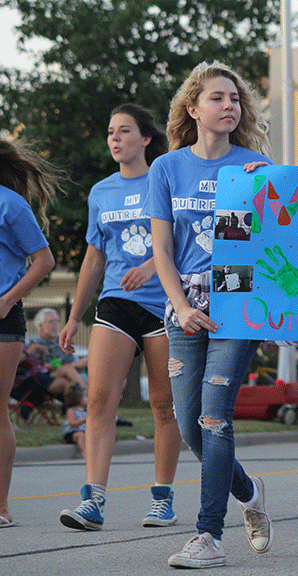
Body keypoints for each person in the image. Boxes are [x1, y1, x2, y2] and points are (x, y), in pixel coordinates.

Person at [147, 61, 273, 568]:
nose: (229, 106)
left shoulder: (255, 167)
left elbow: (279, 241)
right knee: (190, 424)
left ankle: (208, 537)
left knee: (215, 417)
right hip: (183, 308)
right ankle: (249, 490)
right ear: (192, 109)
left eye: (235, 99)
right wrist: (179, 307)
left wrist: (266, 193)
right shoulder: (167, 169)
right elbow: (161, 250)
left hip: (238, 302)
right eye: (218, 98)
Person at [57, 103, 183, 532]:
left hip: (164, 302)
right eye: (110, 131)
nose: (114, 138)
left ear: (146, 138)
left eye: (124, 131)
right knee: (98, 400)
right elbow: (94, 258)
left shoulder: (165, 176)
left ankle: (163, 498)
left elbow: (181, 238)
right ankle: (93, 499)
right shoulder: (101, 192)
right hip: (114, 302)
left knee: (164, 406)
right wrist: (75, 316)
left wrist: (152, 265)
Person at [0, 139, 58, 528]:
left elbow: (44, 260)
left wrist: (7, 300)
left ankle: (0, 507)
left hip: (3, 318)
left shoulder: (10, 203)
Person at [61, 389, 88, 457]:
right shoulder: (71, 410)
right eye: (85, 396)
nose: (87, 398)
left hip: (84, 431)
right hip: (72, 433)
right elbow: (72, 423)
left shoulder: (85, 410)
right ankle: (84, 452)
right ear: (78, 399)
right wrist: (84, 419)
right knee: (80, 435)